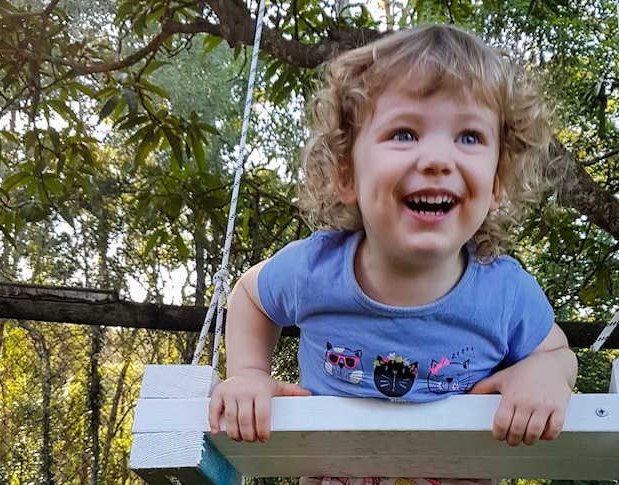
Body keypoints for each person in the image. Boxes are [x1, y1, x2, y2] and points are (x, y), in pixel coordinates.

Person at [208, 24, 578, 484]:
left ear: (497, 182)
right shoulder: (315, 269)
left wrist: (545, 372)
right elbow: (251, 295)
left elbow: (560, 353)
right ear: (346, 173)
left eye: (469, 137)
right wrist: (247, 373)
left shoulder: (503, 292)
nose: (438, 159)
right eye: (404, 133)